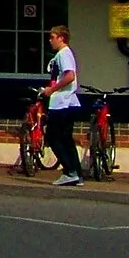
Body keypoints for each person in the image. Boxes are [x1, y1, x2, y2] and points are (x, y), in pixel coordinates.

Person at [42, 24, 83, 186]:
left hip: (62, 103)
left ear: (61, 38)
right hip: (68, 102)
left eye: (52, 37)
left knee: (52, 137)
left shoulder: (63, 54)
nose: (50, 40)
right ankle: (76, 174)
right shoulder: (64, 54)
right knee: (66, 139)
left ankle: (69, 171)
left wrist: (51, 90)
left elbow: (70, 76)